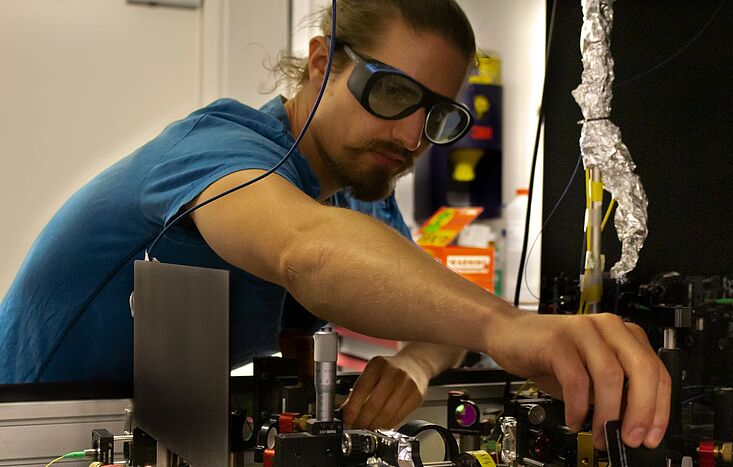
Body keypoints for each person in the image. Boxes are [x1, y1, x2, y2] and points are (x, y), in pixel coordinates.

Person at [0, 0, 669, 450]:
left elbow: (428, 312)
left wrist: (413, 361)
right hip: (32, 433)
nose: (412, 135)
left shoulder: (356, 192)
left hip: (153, 436)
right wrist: (507, 325)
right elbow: (307, 251)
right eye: (394, 93)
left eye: (436, 116)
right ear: (322, 63)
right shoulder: (217, 149)